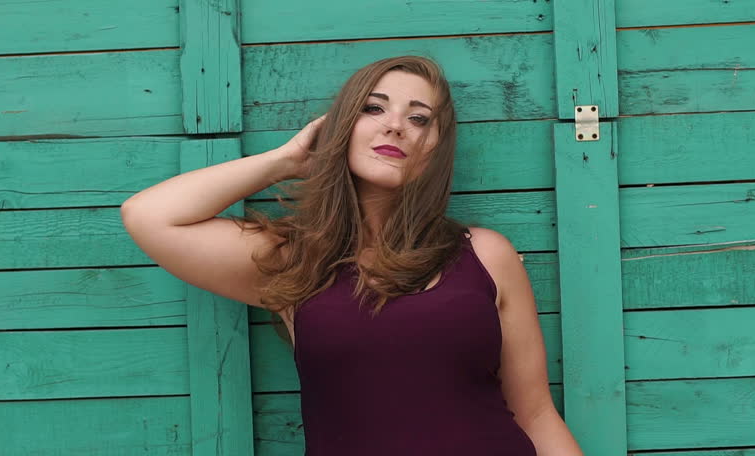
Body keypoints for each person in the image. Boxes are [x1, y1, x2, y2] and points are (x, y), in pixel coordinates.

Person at [121, 56, 582, 455]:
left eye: (419, 118)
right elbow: (148, 216)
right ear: (341, 126)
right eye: (373, 108)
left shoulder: (485, 254)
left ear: (436, 148)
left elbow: (537, 414)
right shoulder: (295, 260)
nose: (395, 125)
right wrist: (287, 161)